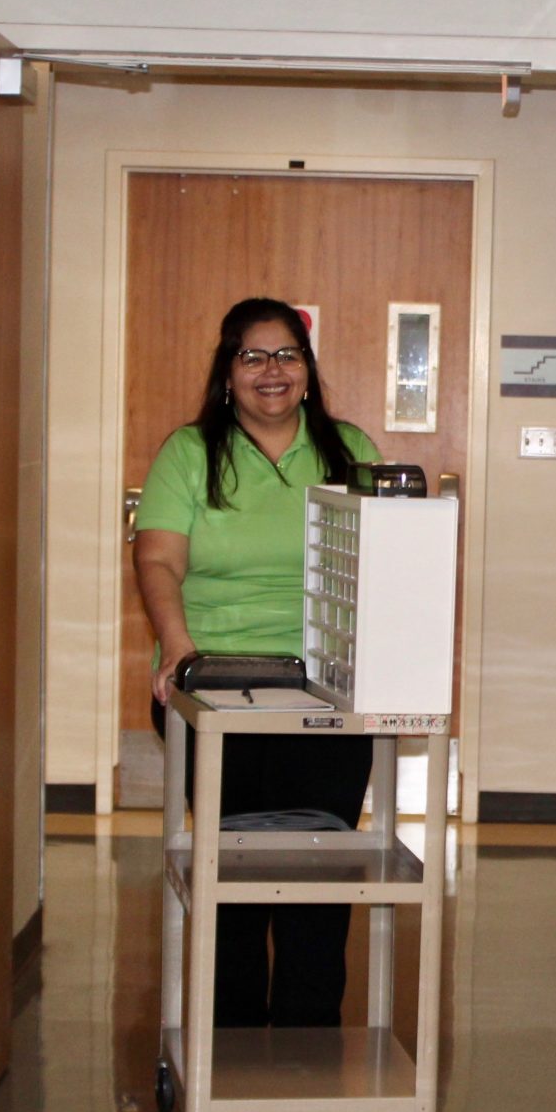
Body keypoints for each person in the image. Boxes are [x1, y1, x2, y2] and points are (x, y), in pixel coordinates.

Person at [134, 296, 382, 1032]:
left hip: (324, 687)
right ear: (227, 371)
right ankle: (232, 1049)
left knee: (318, 876)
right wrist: (177, 647)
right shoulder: (190, 453)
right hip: (215, 682)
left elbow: (390, 562)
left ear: (307, 369)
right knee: (232, 875)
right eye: (252, 356)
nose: (271, 370)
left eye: (287, 355)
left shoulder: (349, 448)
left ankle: (306, 1048)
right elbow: (157, 559)